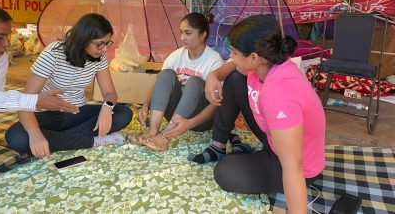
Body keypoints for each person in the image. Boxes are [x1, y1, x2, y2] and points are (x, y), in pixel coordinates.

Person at [189, 15, 325, 213]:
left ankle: (241, 153)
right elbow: (233, 68)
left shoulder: (279, 93)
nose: (231, 56)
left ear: (253, 57)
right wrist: (213, 76)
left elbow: (293, 165)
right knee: (234, 80)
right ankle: (218, 146)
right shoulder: (267, 65)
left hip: (301, 166)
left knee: (226, 172)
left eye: (234, 52)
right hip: (276, 139)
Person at [5, 13, 133, 158]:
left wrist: (107, 108)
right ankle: (92, 141)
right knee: (16, 136)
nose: (104, 49)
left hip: (77, 112)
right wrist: (35, 133)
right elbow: (25, 101)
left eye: (107, 43)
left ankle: (58, 140)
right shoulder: (53, 53)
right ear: (84, 39)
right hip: (47, 115)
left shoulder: (99, 57)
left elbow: (110, 93)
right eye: (100, 44)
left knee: (124, 113)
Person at [130, 12, 224, 151]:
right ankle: (153, 131)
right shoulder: (176, 56)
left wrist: (190, 123)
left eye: (188, 33)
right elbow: (159, 85)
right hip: (175, 116)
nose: (182, 38)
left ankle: (164, 137)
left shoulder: (214, 61)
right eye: (181, 32)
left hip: (199, 121)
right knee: (165, 74)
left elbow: (216, 105)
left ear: (202, 35)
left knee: (195, 82)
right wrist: (145, 105)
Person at [0, 5, 78, 113]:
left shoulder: (1, 58)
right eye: (0, 37)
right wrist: (33, 100)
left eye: (7, 37)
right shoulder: (52, 53)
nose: (7, 44)